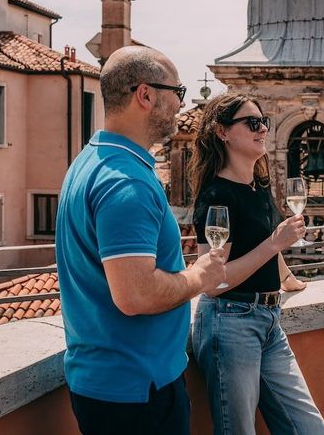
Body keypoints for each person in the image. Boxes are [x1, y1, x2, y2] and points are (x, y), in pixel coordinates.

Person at [55, 46, 227, 435]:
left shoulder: (90, 162)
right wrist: (199, 276)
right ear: (145, 95)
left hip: (106, 383)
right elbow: (135, 295)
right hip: (137, 392)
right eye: (177, 93)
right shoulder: (126, 182)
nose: (181, 106)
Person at [189, 92, 324, 435]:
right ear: (223, 132)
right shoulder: (216, 196)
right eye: (251, 123)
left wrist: (287, 278)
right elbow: (214, 280)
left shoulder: (258, 184)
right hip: (229, 321)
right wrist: (275, 243)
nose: (262, 128)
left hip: (269, 319)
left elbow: (267, 246)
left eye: (263, 121)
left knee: (309, 429)